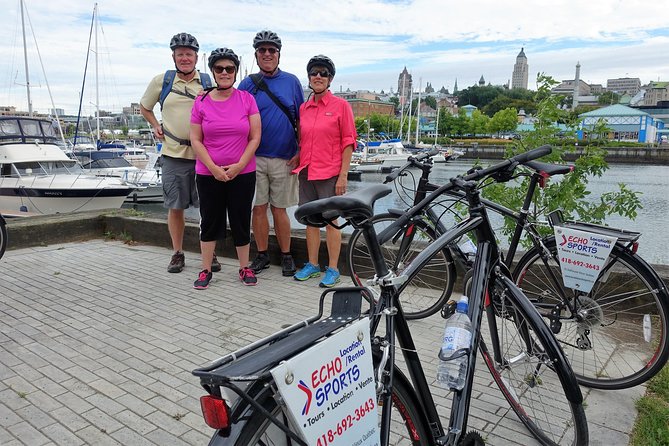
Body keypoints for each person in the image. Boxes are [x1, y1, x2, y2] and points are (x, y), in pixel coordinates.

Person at [140, 32, 221, 274]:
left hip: (204, 157)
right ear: (174, 56)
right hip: (174, 154)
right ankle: (177, 253)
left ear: (197, 57)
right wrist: (155, 125)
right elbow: (145, 107)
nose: (185, 58)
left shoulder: (208, 82)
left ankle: (210, 252)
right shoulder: (162, 81)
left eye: (189, 54)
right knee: (175, 207)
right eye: (180, 54)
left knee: (208, 208)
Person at [189, 48, 261, 289]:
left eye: (229, 69)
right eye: (219, 69)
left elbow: (255, 137)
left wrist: (240, 165)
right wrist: (214, 168)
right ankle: (205, 269)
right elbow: (196, 139)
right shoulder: (201, 101)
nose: (224, 72)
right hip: (209, 173)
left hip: (243, 172)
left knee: (241, 219)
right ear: (212, 72)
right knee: (209, 221)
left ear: (235, 72)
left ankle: (244, 267)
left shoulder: (246, 100)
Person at [238, 30, 304, 277]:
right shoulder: (246, 84)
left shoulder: (292, 82)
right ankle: (263, 254)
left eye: (271, 50)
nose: (267, 54)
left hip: (284, 156)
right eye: (262, 50)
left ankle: (286, 255)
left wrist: (300, 150)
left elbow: (301, 119)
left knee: (280, 209)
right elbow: (237, 119)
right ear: (256, 55)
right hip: (253, 157)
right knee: (258, 208)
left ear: (278, 54)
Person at [292, 55, 356, 288]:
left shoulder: (341, 106)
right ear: (309, 77)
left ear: (330, 79)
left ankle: (333, 268)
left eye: (323, 73)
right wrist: (298, 156)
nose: (318, 77)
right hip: (307, 171)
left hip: (329, 173)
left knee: (331, 222)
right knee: (310, 221)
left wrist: (343, 175)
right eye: (314, 73)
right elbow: (305, 139)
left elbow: (349, 142)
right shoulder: (304, 107)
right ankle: (312, 264)